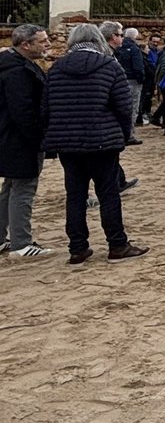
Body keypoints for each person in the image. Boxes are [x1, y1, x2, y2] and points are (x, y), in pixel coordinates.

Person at [41, 23, 148, 264]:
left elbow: (46, 108)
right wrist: (122, 135)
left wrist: (55, 135)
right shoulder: (110, 66)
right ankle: (117, 244)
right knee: (108, 194)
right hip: (102, 141)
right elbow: (124, 106)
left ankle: (77, 247)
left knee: (75, 195)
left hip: (68, 143)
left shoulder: (57, 69)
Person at [0, 24, 51, 257]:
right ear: (26, 45)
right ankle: (21, 243)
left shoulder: (13, 65)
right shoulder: (17, 72)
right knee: (23, 188)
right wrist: (38, 137)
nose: (47, 44)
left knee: (11, 187)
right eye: (42, 41)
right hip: (19, 139)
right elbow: (23, 110)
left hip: (11, 137)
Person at [113, 27, 145, 144]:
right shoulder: (134, 49)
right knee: (132, 108)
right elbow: (138, 67)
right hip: (133, 80)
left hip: (119, 80)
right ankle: (129, 135)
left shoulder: (118, 48)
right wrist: (141, 79)